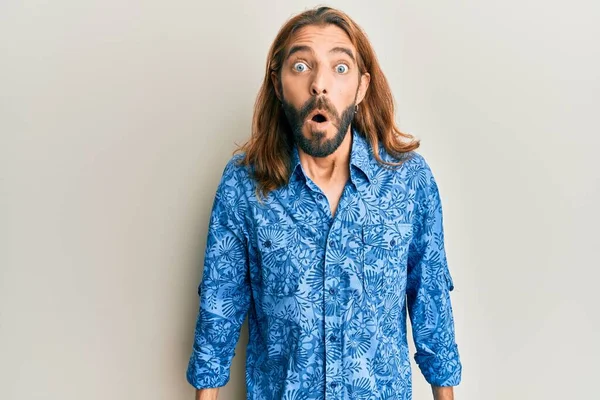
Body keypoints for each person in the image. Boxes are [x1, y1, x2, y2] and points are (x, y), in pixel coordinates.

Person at [186, 6, 462, 400]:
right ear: (278, 85)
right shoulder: (244, 186)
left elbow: (431, 306)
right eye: (300, 66)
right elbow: (219, 310)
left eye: (340, 68)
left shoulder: (408, 182)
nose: (320, 84)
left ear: (362, 88)